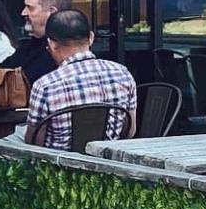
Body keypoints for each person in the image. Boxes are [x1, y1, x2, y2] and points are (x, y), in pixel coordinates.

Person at [24, 8, 137, 149]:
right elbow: (130, 131)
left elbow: (34, 144)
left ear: (52, 44)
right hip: (108, 161)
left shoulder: (45, 85)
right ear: (91, 37)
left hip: (58, 166)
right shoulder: (122, 73)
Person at [0, 0, 70, 86]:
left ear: (52, 12)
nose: (23, 13)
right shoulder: (30, 46)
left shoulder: (68, 48)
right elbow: (1, 71)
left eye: (30, 8)